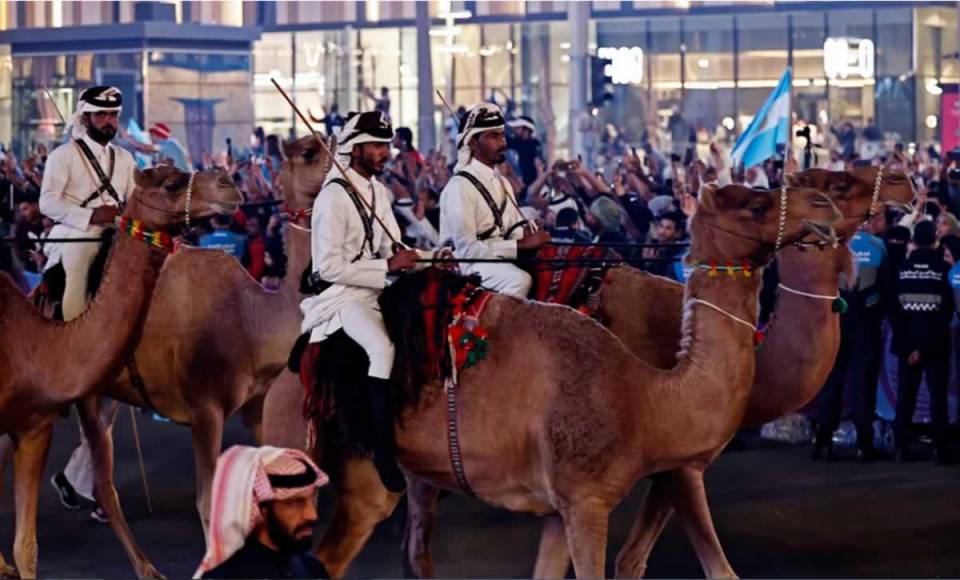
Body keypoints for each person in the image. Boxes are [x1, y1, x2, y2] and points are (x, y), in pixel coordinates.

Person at [299, 110, 438, 492]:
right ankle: (381, 449)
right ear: (355, 149)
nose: (384, 153)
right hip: (344, 295)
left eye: (386, 145)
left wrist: (432, 256)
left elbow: (395, 245)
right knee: (381, 348)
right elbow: (328, 268)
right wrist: (387, 265)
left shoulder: (379, 191)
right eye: (376, 146)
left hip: (381, 284)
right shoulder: (332, 197)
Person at [42, 86, 137, 524]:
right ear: (84, 117)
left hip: (117, 237)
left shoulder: (126, 160)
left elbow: (133, 202)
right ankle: (76, 336)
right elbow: (48, 203)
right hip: (73, 237)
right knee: (80, 263)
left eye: (113, 115)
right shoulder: (63, 158)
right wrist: (90, 216)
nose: (109, 122)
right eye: (101, 116)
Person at [439, 103, 549, 298]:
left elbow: (511, 228)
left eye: (502, 135)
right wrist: (519, 246)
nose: (503, 143)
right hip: (465, 264)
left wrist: (526, 232)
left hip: (497, 259)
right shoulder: (459, 186)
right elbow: (466, 250)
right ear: (472, 143)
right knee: (520, 280)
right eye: (493, 136)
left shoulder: (503, 183)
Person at [812, 212, 889, 462]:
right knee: (863, 385)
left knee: (831, 383)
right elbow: (885, 288)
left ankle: (823, 442)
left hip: (835, 323)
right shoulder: (878, 246)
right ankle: (863, 445)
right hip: (866, 325)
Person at [194, 446, 330, 579]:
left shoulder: (313, 569)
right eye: (295, 503)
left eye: (310, 500)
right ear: (259, 509)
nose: (312, 515)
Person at [891, 220, 955, 464]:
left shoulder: (900, 268)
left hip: (906, 345)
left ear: (913, 242)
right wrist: (925, 347)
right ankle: (940, 450)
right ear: (935, 241)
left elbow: (895, 312)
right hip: (936, 345)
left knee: (905, 397)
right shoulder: (943, 269)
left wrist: (912, 348)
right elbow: (946, 312)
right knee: (938, 399)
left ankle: (900, 449)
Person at [506, 116, 542, 189]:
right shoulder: (516, 142)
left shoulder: (534, 146)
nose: (514, 130)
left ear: (526, 130)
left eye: (517, 128)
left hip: (529, 187)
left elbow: (539, 167)